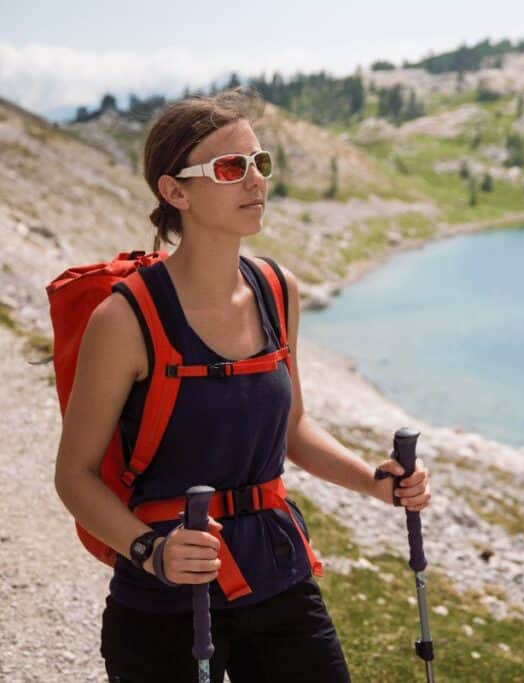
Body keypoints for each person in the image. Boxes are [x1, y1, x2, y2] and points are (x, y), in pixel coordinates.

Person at [53, 87, 431, 682]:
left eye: (261, 163)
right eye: (231, 168)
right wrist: (152, 552)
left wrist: (374, 483)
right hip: (166, 598)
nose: (255, 181)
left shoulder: (278, 290)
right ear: (175, 191)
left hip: (276, 573)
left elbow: (293, 429)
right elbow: (73, 475)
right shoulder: (124, 321)